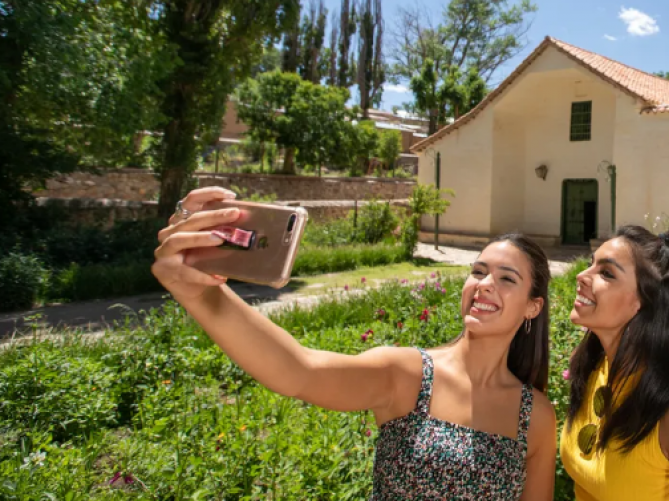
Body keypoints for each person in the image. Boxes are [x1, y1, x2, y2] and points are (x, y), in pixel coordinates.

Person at [152, 187, 557, 501]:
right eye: (478, 271)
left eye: (507, 278)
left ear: (532, 307)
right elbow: (299, 371)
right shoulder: (408, 375)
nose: (484, 284)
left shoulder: (536, 417)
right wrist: (201, 295)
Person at [560, 224, 669, 501]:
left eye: (606, 273)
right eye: (591, 264)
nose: (581, 275)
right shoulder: (592, 367)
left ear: (642, 302)